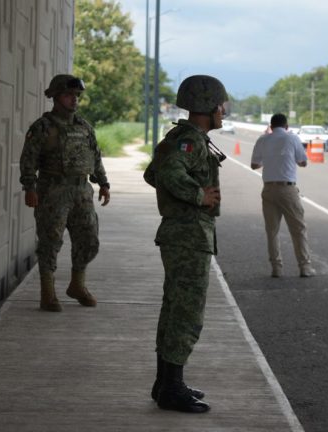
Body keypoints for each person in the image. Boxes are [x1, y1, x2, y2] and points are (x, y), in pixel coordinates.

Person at [143, 75, 228, 414]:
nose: (223, 111)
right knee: (186, 312)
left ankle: (166, 381)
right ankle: (171, 388)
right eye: (220, 104)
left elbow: (153, 173)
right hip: (188, 234)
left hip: (182, 233)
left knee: (174, 307)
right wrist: (197, 195)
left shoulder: (183, 139)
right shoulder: (189, 142)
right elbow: (164, 174)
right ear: (208, 105)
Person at [19, 74, 110, 312]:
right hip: (53, 191)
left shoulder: (84, 126)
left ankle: (77, 285)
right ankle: (47, 294)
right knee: (50, 240)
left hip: (82, 190)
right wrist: (30, 187)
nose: (74, 100)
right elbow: (28, 160)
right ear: (56, 97)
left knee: (89, 239)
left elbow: (95, 157)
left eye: (77, 96)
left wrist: (104, 183)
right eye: (69, 95)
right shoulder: (43, 127)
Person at [251, 113, 315, 278]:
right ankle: (305, 267)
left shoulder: (262, 139)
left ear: (271, 127)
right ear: (287, 126)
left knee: (272, 231)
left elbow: (254, 165)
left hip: (268, 190)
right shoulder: (292, 138)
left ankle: (276, 268)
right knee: (298, 229)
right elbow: (303, 162)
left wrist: (270, 159)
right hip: (287, 190)